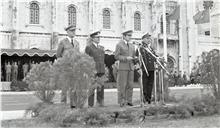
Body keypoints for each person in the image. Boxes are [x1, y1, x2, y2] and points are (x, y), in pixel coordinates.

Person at [56, 25, 79, 109]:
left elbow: (78, 55)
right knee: (65, 87)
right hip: (65, 67)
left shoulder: (77, 43)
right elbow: (58, 55)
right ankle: (63, 103)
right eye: (72, 31)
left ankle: (73, 104)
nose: (74, 32)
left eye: (74, 31)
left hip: (74, 68)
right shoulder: (63, 42)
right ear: (68, 32)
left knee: (74, 87)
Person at [114, 30, 136, 107]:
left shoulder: (132, 46)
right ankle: (122, 101)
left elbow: (134, 56)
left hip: (131, 67)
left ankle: (129, 100)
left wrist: (135, 59)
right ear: (124, 36)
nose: (130, 37)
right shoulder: (119, 45)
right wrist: (126, 58)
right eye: (128, 35)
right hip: (123, 67)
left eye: (130, 35)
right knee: (122, 85)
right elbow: (116, 56)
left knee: (130, 85)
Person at [136, 33, 158, 104]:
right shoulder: (140, 48)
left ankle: (149, 98)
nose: (149, 40)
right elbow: (137, 58)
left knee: (150, 84)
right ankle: (144, 98)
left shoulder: (150, 48)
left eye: (149, 39)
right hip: (144, 69)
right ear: (143, 39)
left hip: (151, 68)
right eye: (148, 39)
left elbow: (154, 57)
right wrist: (138, 67)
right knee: (144, 84)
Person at [85, 31, 105, 107]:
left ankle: (100, 103)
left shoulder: (101, 47)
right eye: (97, 37)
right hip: (93, 70)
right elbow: (86, 59)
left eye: (99, 37)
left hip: (101, 70)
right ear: (92, 38)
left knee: (101, 87)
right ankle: (90, 104)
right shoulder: (89, 47)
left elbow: (102, 59)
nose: (99, 38)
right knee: (92, 88)